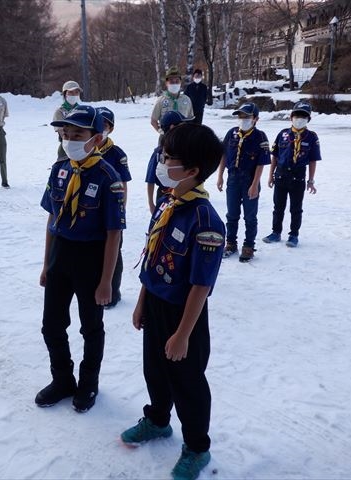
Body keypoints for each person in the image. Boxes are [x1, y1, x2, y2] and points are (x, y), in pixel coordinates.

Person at [120, 123, 225, 480]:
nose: (160, 163)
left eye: (167, 158)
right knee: (155, 369)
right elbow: (152, 257)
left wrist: (182, 335)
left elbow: (200, 285)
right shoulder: (167, 203)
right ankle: (158, 420)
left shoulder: (205, 220)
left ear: (193, 171)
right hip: (156, 306)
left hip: (186, 317)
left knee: (188, 382)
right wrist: (140, 303)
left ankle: (197, 447)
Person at [37, 105, 126, 413]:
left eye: (78, 134)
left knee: (91, 327)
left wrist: (106, 282)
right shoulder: (59, 169)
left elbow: (114, 233)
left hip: (91, 258)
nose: (70, 139)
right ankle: (62, 378)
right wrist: (46, 263)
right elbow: (52, 218)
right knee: (51, 324)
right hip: (61, 253)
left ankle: (88, 382)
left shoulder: (108, 177)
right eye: (66, 134)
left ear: (97, 139)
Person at [262, 101, 321, 248]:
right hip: (281, 175)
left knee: (296, 208)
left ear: (308, 119)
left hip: (298, 176)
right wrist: (271, 175)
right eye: (297, 115)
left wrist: (311, 180)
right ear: (291, 117)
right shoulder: (282, 134)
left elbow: (313, 160)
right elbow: (274, 156)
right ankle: (276, 232)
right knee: (278, 207)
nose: (299, 119)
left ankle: (294, 234)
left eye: (303, 116)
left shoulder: (311, 137)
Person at [216, 102, 270, 262]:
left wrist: (254, 185)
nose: (242, 119)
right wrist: (220, 176)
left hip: (250, 180)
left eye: (246, 117)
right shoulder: (231, 133)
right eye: (240, 116)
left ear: (255, 119)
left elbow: (261, 163)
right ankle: (231, 243)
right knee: (232, 214)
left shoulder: (260, 137)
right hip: (233, 179)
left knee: (250, 216)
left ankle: (248, 246)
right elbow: (224, 155)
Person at [95, 106, 132, 309]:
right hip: (92, 211)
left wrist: (121, 211)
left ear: (111, 128)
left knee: (114, 253)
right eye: (98, 124)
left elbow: (123, 184)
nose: (101, 128)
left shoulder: (117, 154)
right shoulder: (86, 150)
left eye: (105, 124)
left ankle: (113, 291)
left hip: (111, 212)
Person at [145, 110, 190, 214]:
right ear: (173, 128)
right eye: (183, 125)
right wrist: (151, 204)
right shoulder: (159, 153)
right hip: (164, 196)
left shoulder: (188, 150)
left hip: (185, 195)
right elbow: (150, 180)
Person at [150, 66, 194, 135]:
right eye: (171, 81)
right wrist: (160, 131)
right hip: (166, 137)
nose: (174, 84)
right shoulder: (161, 100)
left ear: (180, 82)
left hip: (183, 137)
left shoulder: (187, 100)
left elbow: (190, 119)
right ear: (166, 83)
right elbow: (153, 120)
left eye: (177, 81)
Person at [52, 80, 82, 161]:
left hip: (82, 147)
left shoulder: (82, 110)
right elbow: (62, 132)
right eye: (71, 92)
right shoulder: (60, 112)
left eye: (76, 92)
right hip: (66, 148)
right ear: (65, 94)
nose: (74, 95)